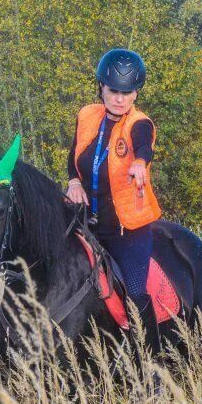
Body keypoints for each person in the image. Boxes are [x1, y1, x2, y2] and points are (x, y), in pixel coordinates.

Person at [66, 48, 164, 355]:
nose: (119, 99)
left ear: (136, 94)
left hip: (127, 231)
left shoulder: (139, 123)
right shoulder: (87, 116)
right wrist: (72, 182)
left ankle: (152, 366)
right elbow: (75, 156)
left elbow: (144, 147)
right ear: (101, 88)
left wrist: (140, 163)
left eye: (127, 92)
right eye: (113, 91)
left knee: (135, 293)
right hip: (86, 225)